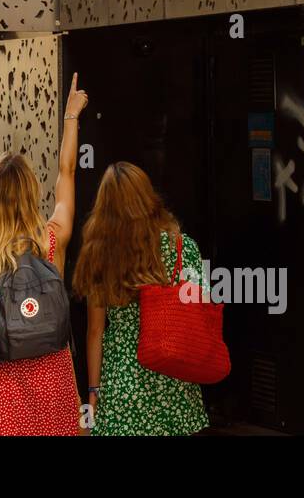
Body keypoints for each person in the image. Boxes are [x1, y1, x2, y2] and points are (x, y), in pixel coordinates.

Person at [0, 73, 88, 435]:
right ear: (31, 193)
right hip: (55, 377)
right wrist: (71, 118)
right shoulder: (52, 240)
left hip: (4, 382)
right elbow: (67, 172)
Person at [72, 162, 210, 436]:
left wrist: (94, 391)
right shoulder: (184, 247)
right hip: (174, 378)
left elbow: (96, 332)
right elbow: (203, 303)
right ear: (148, 197)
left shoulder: (100, 256)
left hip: (123, 385)